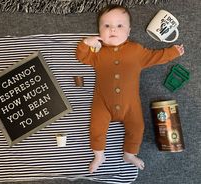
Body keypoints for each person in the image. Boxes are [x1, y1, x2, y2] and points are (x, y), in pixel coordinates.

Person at [76, 4, 184, 173]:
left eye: (119, 25)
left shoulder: (136, 51)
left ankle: (129, 154)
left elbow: (154, 56)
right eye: (106, 26)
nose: (112, 29)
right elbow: (82, 57)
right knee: (96, 127)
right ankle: (99, 155)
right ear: (99, 31)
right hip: (102, 104)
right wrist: (85, 43)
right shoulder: (97, 52)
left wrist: (172, 52)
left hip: (130, 105)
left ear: (129, 31)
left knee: (137, 127)